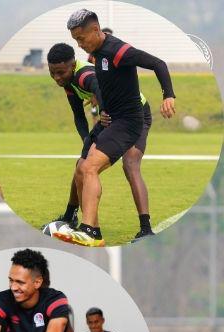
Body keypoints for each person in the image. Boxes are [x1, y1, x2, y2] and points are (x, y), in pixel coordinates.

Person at [66, 8, 175, 246]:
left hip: (130, 121)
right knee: (82, 166)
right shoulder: (95, 54)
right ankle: (80, 223)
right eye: (76, 40)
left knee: (116, 165)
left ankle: (99, 230)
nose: (80, 45)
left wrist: (168, 95)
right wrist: (102, 109)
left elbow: (158, 63)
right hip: (113, 120)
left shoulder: (118, 51)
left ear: (95, 30)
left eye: (81, 39)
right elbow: (105, 86)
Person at [46, 42, 154, 241]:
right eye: (52, 73)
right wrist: (86, 140)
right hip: (112, 116)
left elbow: (98, 85)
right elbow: (78, 116)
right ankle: (78, 221)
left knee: (130, 165)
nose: (56, 78)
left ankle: (145, 229)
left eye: (60, 72)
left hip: (135, 114)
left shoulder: (83, 75)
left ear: (71, 65)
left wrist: (104, 109)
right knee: (82, 163)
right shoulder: (69, 82)